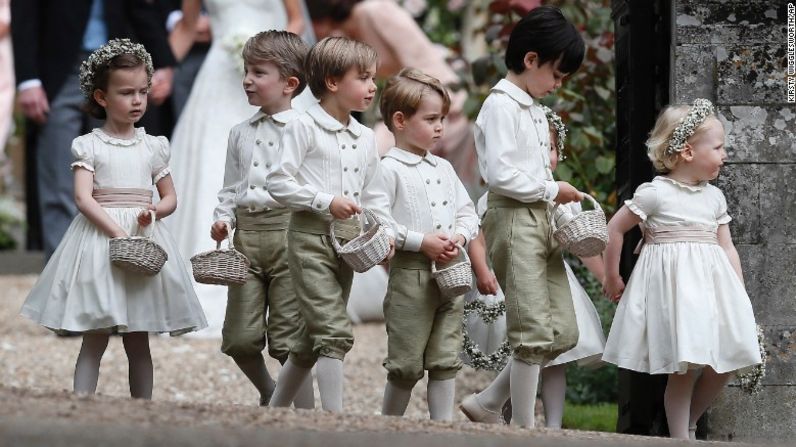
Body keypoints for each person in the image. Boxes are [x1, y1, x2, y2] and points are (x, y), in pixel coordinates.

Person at [19, 40, 207, 398]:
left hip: (142, 237)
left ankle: (142, 406)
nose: (137, 100)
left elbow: (170, 196)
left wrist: (156, 211)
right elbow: (82, 197)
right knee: (96, 332)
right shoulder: (89, 145)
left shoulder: (153, 146)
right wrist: (117, 231)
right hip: (99, 241)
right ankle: (81, 402)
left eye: (142, 92)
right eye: (126, 93)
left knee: (139, 338)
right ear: (102, 97)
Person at [601, 98, 761, 440]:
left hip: (712, 292)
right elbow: (614, 229)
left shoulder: (714, 198)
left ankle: (690, 420)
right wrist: (612, 276)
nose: (725, 155)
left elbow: (726, 246)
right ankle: (680, 436)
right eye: (718, 147)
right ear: (688, 152)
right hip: (677, 295)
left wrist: (739, 293)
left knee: (729, 359)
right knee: (685, 370)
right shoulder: (655, 194)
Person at [458, 6, 585, 428]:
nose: (558, 84)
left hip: (540, 221)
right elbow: (499, 174)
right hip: (512, 219)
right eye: (557, 74)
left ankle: (490, 401)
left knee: (563, 332)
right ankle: (525, 429)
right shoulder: (501, 107)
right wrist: (551, 189)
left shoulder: (531, 107)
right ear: (531, 59)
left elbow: (534, 173)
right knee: (531, 331)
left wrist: (558, 201)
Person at [266, 37, 394, 412]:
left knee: (309, 340)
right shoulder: (302, 127)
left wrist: (384, 231)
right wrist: (325, 201)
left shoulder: (366, 136)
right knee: (334, 331)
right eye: (364, 77)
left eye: (373, 77)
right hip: (308, 240)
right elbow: (278, 182)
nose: (373, 86)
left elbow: (374, 194)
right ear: (333, 82)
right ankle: (333, 420)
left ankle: (274, 413)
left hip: (349, 243)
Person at [164, 0, 305, 336]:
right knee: (212, 158)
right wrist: (160, 70)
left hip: (275, 72)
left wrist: (273, 59)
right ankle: (210, 270)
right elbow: (187, 26)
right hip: (219, 73)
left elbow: (296, 20)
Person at [472, 108, 607, 427]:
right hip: (516, 278)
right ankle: (515, 418)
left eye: (550, 147)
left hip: (556, 278)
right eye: (536, 147)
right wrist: (482, 270)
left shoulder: (564, 193)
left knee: (558, 346)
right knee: (527, 346)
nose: (545, 155)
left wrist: (604, 275)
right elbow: (477, 236)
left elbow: (580, 240)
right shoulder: (499, 196)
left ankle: (542, 420)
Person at [11, 0, 176, 260]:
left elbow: (138, 6)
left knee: (114, 173)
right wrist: (28, 79)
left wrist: (163, 59)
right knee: (59, 179)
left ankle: (111, 263)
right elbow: (25, 10)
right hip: (58, 67)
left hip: (115, 69)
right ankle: (63, 273)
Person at [209, 30, 313, 408]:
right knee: (239, 338)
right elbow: (230, 187)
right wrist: (223, 219)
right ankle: (271, 394)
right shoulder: (240, 133)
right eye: (246, 70)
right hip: (245, 242)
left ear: (289, 84)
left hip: (290, 237)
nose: (247, 80)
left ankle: (305, 412)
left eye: (258, 72)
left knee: (288, 339)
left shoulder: (308, 131)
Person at [373, 68, 478, 421]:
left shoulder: (444, 168)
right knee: (404, 362)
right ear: (400, 120)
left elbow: (468, 212)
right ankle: (388, 428)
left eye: (442, 119)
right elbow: (378, 220)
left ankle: (442, 431)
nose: (440, 127)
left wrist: (460, 236)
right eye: (431, 119)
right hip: (410, 277)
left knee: (445, 359)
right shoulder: (387, 169)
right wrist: (422, 242)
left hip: (451, 275)